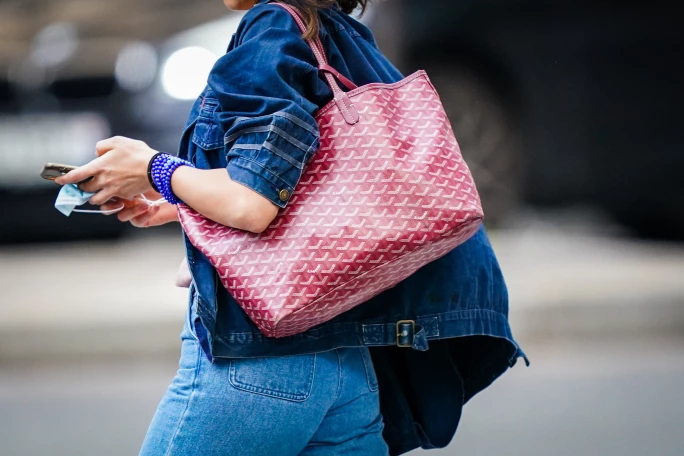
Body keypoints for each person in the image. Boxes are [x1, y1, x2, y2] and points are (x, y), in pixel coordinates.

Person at [57, 0, 527, 454]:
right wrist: (183, 201)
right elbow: (310, 185)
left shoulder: (269, 31)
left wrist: (155, 168)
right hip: (348, 366)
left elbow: (253, 203)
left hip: (261, 365)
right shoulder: (334, 31)